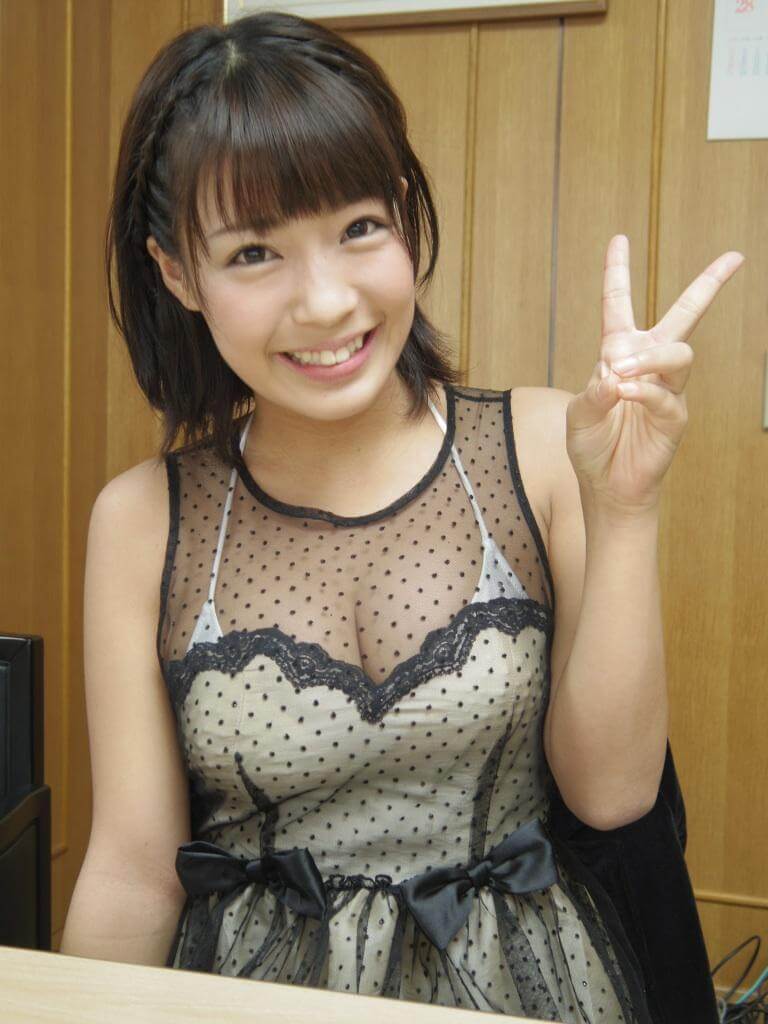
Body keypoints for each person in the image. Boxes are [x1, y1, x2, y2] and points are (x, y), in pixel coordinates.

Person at [60, 10, 743, 1023]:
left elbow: (612, 795)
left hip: (532, 987)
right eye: (254, 253)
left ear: (407, 220)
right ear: (176, 273)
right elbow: (132, 872)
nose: (326, 301)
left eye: (358, 228)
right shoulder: (142, 520)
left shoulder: (546, 447)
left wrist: (625, 507)